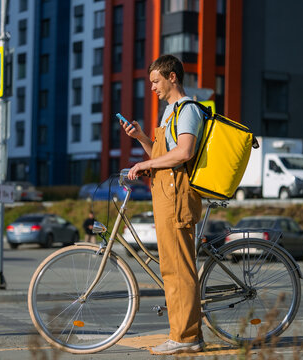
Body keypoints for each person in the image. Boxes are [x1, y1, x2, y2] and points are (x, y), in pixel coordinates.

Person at [120, 54, 205, 355]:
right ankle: (182, 332)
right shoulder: (170, 113)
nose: (152, 87)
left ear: (172, 78)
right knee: (171, 267)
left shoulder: (187, 111)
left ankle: (186, 338)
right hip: (165, 194)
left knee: (179, 269)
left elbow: (183, 153)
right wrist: (142, 137)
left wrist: (147, 162)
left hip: (177, 196)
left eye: (156, 81)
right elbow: (161, 153)